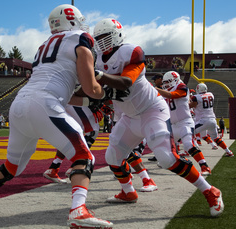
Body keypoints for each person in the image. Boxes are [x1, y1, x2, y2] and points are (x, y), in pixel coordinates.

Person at [0, 4, 126, 228]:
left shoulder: (44, 45)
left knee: (12, 165)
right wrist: (104, 93)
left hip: (21, 104)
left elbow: (67, 94)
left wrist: (91, 99)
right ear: (74, 20)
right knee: (84, 156)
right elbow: (90, 87)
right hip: (45, 102)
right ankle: (78, 211)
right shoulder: (82, 38)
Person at [93, 18, 223, 217]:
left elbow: (126, 82)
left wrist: (97, 77)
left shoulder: (131, 52)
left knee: (166, 158)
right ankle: (128, 192)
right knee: (112, 156)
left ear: (117, 34)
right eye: (99, 38)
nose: (102, 42)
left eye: (106, 37)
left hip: (152, 110)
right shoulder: (96, 59)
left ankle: (210, 190)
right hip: (129, 116)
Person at [156, 71, 211, 175]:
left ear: (175, 80)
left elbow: (173, 95)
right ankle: (175, 161)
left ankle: (205, 167)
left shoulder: (181, 86)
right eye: (165, 82)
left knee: (188, 144)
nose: (166, 84)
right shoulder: (165, 91)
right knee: (163, 147)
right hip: (173, 125)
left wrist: (156, 90)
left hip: (185, 122)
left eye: (168, 81)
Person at [190, 83, 234, 157]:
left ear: (198, 89)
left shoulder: (196, 97)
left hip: (203, 121)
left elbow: (191, 105)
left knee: (188, 133)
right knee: (216, 138)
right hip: (213, 120)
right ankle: (229, 152)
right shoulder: (211, 94)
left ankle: (189, 151)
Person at [148, 73, 163, 162]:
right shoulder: (160, 89)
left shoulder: (163, 89)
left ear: (160, 79)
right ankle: (158, 154)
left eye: (156, 79)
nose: (154, 81)